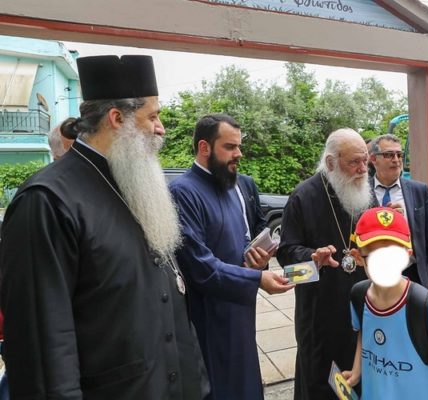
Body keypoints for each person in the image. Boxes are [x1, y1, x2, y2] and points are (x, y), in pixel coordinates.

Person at [0, 55, 210, 399]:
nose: (161, 128)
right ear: (116, 118)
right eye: (152, 117)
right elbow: (42, 348)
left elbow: (170, 301)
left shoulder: (136, 185)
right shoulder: (47, 201)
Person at [169, 113, 293, 400]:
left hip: (239, 308)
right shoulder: (182, 192)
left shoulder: (228, 184)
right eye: (230, 147)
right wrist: (257, 279)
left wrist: (256, 260)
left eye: (239, 146)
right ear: (204, 147)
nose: (239, 154)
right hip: (208, 316)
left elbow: (238, 244)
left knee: (245, 382)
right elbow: (200, 267)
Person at [277, 128, 374, 400]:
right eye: (354, 162)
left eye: (365, 160)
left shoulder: (365, 195)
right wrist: (313, 259)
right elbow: (286, 256)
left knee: (360, 380)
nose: (363, 169)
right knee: (321, 383)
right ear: (331, 162)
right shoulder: (303, 197)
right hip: (320, 313)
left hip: (361, 308)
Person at [343, 207, 428, 399]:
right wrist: (356, 371)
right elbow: (364, 331)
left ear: (407, 256)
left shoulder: (426, 308)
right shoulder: (359, 296)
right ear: (358, 257)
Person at [369, 134, 428, 300]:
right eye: (389, 155)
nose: (396, 160)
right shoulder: (361, 192)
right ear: (374, 159)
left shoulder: (419, 190)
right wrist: (383, 219)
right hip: (374, 275)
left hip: (413, 273)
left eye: (399, 154)